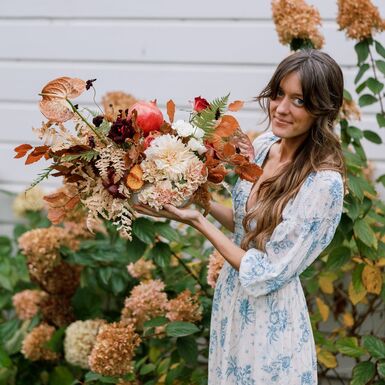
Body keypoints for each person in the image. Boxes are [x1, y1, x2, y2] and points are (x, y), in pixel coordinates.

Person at [135, 49, 345, 385]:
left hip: (271, 319)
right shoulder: (264, 146)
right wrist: (199, 202)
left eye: (299, 101)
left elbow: (266, 272)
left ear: (323, 109)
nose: (281, 108)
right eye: (278, 94)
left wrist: (198, 223)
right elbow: (249, 228)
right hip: (232, 303)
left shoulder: (323, 184)